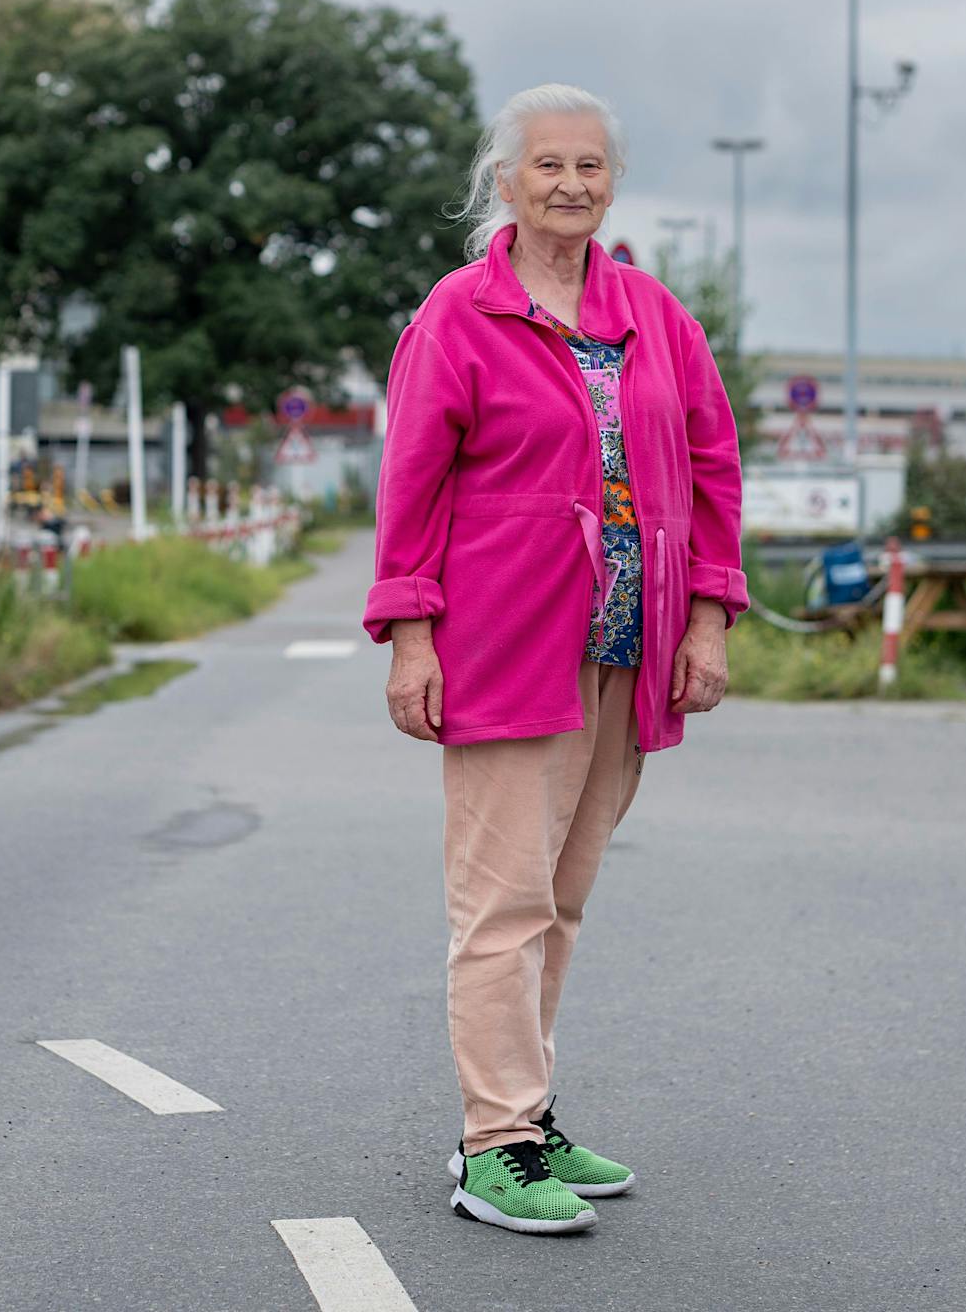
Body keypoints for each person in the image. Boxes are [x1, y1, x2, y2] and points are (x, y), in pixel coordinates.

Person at [364, 83, 749, 1236]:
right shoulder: (458, 313)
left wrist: (710, 618)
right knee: (501, 903)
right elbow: (412, 483)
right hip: (502, 643)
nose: (570, 183)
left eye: (589, 165)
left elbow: (712, 463)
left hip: (626, 644)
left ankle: (526, 1109)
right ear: (505, 180)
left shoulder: (652, 313)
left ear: (611, 183)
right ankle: (494, 1142)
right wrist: (410, 632)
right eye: (548, 165)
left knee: (561, 896)